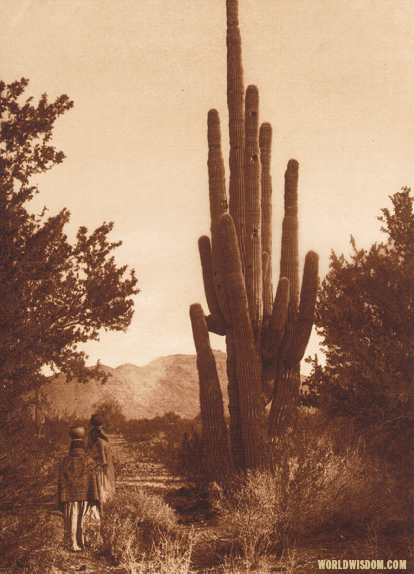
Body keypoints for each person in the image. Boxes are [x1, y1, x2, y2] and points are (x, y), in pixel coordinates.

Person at [58, 426, 100, 552]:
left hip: (69, 500)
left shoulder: (64, 461)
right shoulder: (89, 461)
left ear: (71, 446)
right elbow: (93, 482)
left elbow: (61, 484)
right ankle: (84, 544)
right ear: (82, 446)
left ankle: (72, 544)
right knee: (83, 521)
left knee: (72, 520)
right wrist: (94, 498)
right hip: (86, 498)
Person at [87, 414, 115, 507]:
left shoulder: (91, 435)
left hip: (96, 464)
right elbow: (103, 455)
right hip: (103, 465)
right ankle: (104, 503)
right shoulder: (102, 439)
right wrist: (105, 465)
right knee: (103, 483)